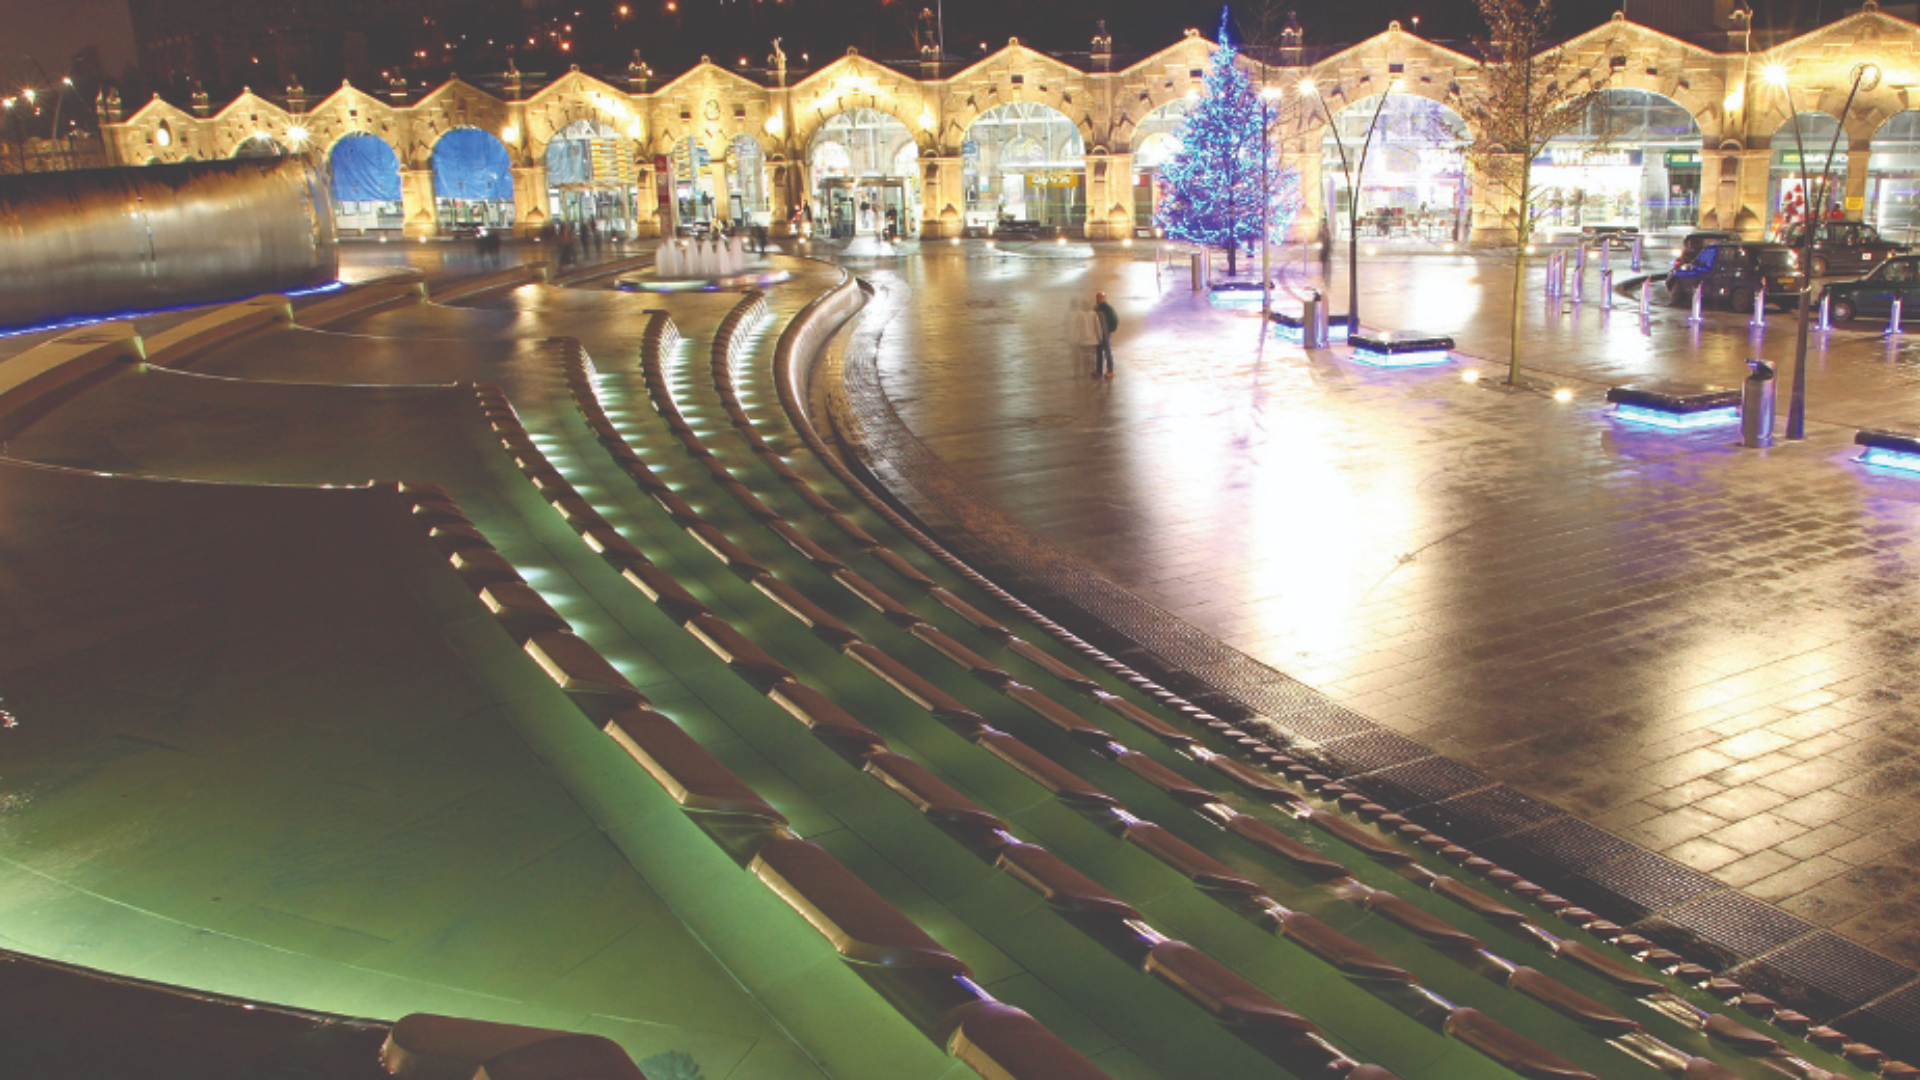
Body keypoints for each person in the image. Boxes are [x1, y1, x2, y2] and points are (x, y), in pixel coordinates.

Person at [1093, 291, 1118, 378]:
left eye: (1100, 298)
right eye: (1097, 298)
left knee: (1107, 351)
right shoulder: (1096, 308)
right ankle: (1099, 370)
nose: (1098, 299)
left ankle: (1110, 370)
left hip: (1105, 333)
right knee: (1099, 352)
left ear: (1104, 298)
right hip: (1099, 334)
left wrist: (1110, 329)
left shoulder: (1108, 309)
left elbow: (1115, 319)